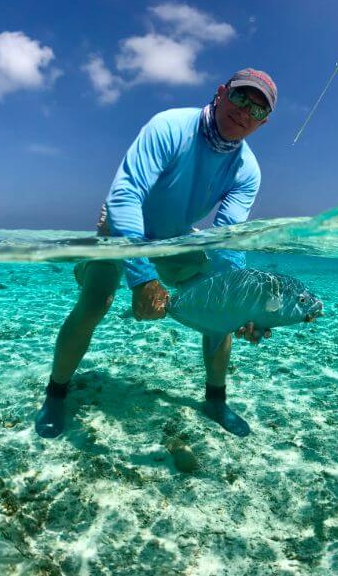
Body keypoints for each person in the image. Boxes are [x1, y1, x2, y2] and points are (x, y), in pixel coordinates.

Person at [35, 68, 277, 439]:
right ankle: (55, 393)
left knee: (220, 311)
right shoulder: (169, 126)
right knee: (96, 302)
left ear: (263, 123)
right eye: (241, 97)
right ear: (220, 92)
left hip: (176, 235)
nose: (245, 111)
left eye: (258, 110)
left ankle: (216, 398)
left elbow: (226, 238)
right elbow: (126, 195)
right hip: (122, 223)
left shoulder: (248, 171)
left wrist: (237, 300)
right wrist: (142, 277)